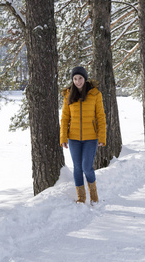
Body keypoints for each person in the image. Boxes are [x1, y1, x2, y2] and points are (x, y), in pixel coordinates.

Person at [60, 66, 106, 204]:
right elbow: (64, 118)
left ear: (85, 78)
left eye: (80, 78)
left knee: (87, 167)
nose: (78, 81)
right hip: (73, 138)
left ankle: (94, 196)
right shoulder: (68, 95)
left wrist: (102, 137)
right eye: (75, 79)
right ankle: (81, 198)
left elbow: (101, 116)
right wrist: (63, 137)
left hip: (91, 138)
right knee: (77, 168)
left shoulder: (95, 94)